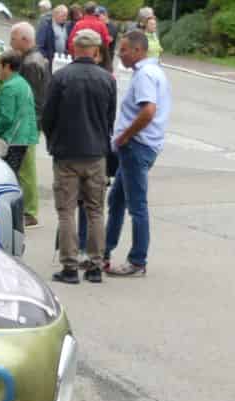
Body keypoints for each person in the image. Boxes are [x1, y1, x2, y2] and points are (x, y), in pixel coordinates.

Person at [43, 26, 112, 283]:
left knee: (66, 211)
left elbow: (48, 116)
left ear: (74, 49)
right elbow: (109, 119)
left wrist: (53, 140)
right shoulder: (107, 79)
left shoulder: (61, 77)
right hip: (96, 153)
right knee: (96, 210)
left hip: (66, 153)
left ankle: (70, 267)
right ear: (95, 51)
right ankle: (95, 266)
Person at [103, 30, 169, 276]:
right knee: (117, 199)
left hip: (136, 146)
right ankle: (104, 250)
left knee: (136, 206)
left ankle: (137, 260)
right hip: (142, 146)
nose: (120, 54)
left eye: (124, 50)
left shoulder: (145, 75)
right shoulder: (154, 71)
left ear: (138, 50)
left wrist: (125, 136)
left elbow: (148, 111)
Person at [9, 22, 48, 226]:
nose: (11, 43)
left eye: (13, 39)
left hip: (28, 122)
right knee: (24, 166)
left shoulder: (31, 63)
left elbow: (30, 98)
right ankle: (25, 208)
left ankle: (30, 211)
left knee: (26, 167)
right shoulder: (34, 59)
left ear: (25, 39)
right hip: (30, 121)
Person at [0, 49, 37, 176]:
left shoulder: (9, 87)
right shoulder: (23, 83)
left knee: (4, 176)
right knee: (13, 174)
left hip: (11, 139)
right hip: (23, 139)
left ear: (6, 66)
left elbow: (6, 117)